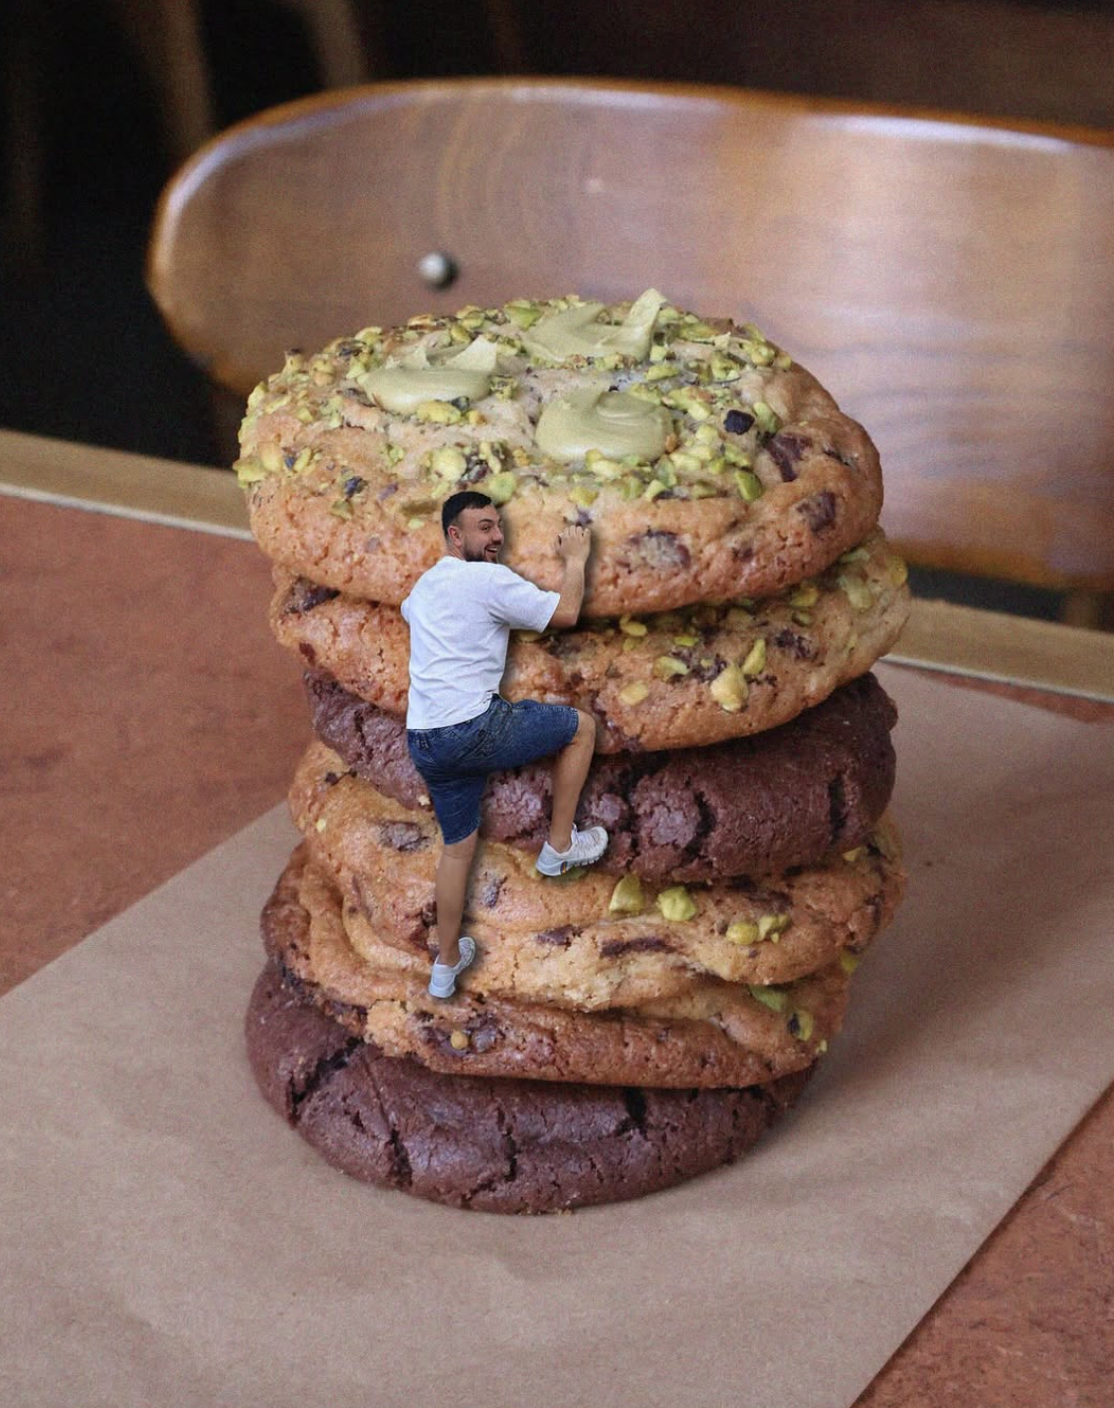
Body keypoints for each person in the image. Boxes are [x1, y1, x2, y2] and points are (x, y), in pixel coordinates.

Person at [401, 489, 608, 999]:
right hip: (474, 728)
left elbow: (411, 614)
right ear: (455, 535)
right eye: (484, 528)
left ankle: (446, 966)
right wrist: (576, 558)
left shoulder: (425, 587)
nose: (497, 537)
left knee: (458, 850)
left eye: (497, 526)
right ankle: (559, 848)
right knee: (580, 727)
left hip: (424, 737)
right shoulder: (487, 580)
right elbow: (566, 613)